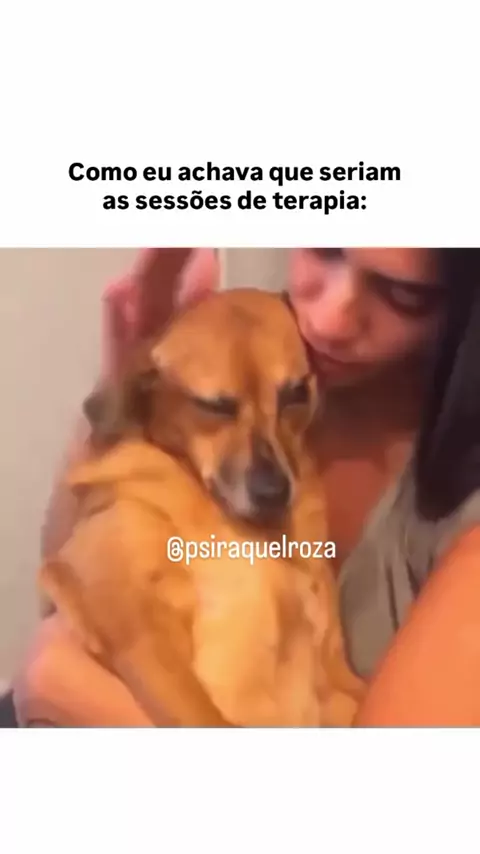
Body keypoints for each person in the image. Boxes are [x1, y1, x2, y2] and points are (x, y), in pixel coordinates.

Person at [12, 247, 480, 727]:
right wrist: (122, 392)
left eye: (403, 296)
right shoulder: (257, 349)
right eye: (324, 249)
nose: (329, 321)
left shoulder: (464, 515)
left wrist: (68, 691)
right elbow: (71, 585)